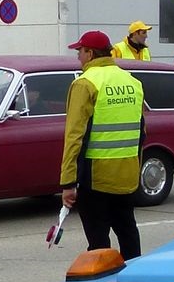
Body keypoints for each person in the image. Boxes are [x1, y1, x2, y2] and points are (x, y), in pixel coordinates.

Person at [60, 30, 145, 259]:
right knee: (128, 231)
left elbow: (74, 136)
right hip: (126, 172)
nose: (78, 56)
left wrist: (68, 182)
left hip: (95, 176)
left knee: (98, 242)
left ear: (90, 53)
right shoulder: (132, 82)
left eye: (80, 51)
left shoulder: (85, 83)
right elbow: (141, 132)